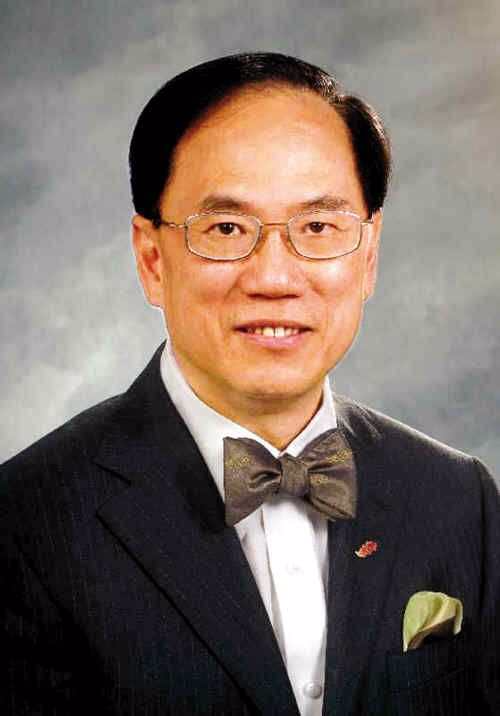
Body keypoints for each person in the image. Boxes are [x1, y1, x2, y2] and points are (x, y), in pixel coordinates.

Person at [0, 52, 498, 716]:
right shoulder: (27, 524)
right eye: (227, 228)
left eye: (317, 227)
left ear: (369, 254)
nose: (274, 277)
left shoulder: (459, 501)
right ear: (151, 259)